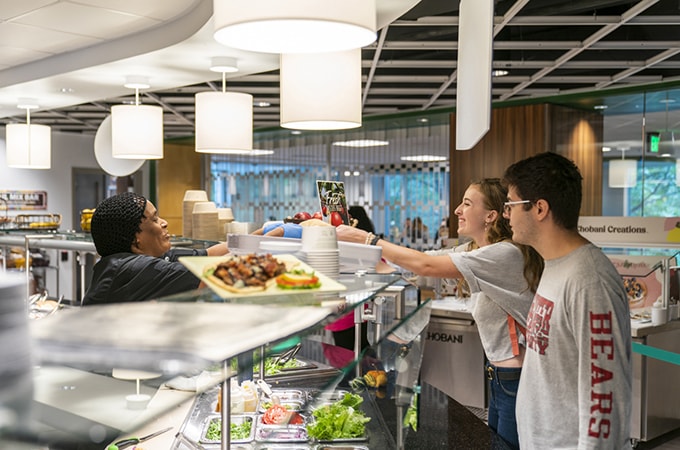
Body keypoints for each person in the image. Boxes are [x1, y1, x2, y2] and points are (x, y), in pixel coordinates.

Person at [336, 178, 544, 449]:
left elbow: (426, 265)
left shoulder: (504, 254)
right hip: (499, 376)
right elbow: (413, 265)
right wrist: (359, 252)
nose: (457, 210)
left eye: (467, 203)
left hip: (517, 380)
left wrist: (368, 239)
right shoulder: (474, 250)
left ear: (491, 216)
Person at [501, 152, 632, 449]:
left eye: (510, 205)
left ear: (540, 209)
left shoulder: (589, 280)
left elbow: (604, 395)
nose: (506, 214)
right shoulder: (556, 264)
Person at [83, 192, 229, 306]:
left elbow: (209, 255)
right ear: (136, 241)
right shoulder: (135, 269)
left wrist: (251, 239)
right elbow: (211, 275)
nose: (164, 223)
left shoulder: (144, 258)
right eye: (154, 219)